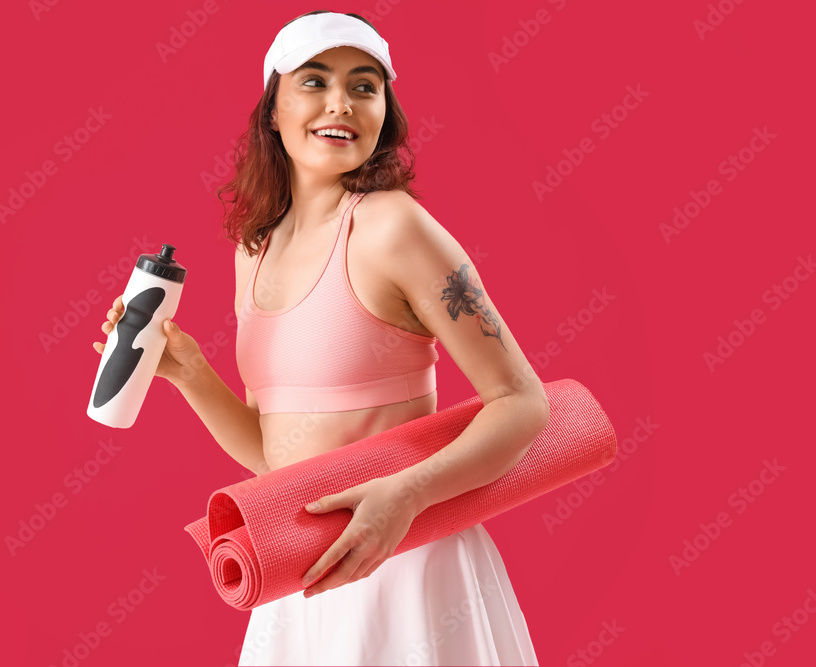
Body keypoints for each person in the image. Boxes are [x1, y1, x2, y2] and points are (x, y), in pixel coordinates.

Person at [94, 10, 547, 665]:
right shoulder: (256, 250)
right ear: (272, 110)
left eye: (364, 86)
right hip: (298, 570)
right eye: (314, 81)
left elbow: (522, 400)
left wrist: (409, 493)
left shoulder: (394, 228)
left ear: (383, 113)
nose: (342, 102)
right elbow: (279, 457)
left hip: (408, 568)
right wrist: (189, 370)